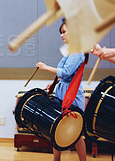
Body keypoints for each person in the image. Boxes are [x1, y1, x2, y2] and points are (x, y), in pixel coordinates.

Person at [35, 19, 87, 161]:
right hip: (63, 91)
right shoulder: (71, 51)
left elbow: (65, 73)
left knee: (75, 133)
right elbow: (62, 75)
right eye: (61, 33)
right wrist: (52, 84)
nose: (61, 35)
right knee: (57, 128)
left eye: (64, 32)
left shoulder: (77, 52)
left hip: (72, 94)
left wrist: (45, 68)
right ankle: (56, 159)